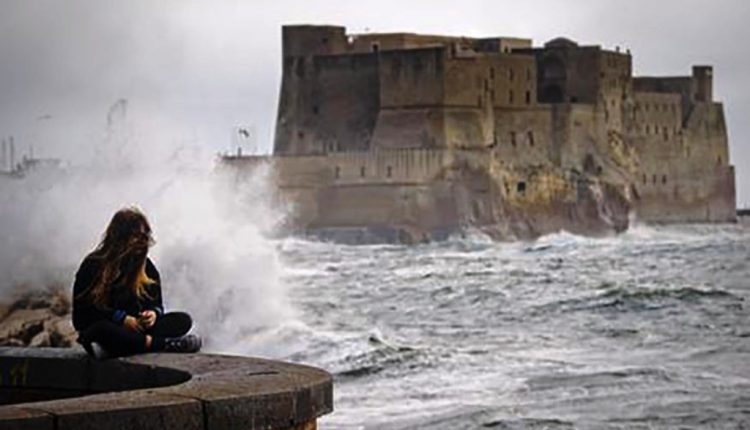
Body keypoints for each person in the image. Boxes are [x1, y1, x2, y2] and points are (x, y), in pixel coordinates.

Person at [72, 207, 201, 359]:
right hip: (106, 329)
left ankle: (129, 346)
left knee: (182, 320)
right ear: (119, 237)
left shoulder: (146, 267)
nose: (141, 242)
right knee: (102, 330)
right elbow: (81, 315)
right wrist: (121, 319)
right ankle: (162, 345)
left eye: (143, 236)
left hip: (135, 331)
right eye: (135, 236)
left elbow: (157, 304)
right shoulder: (93, 264)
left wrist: (152, 314)